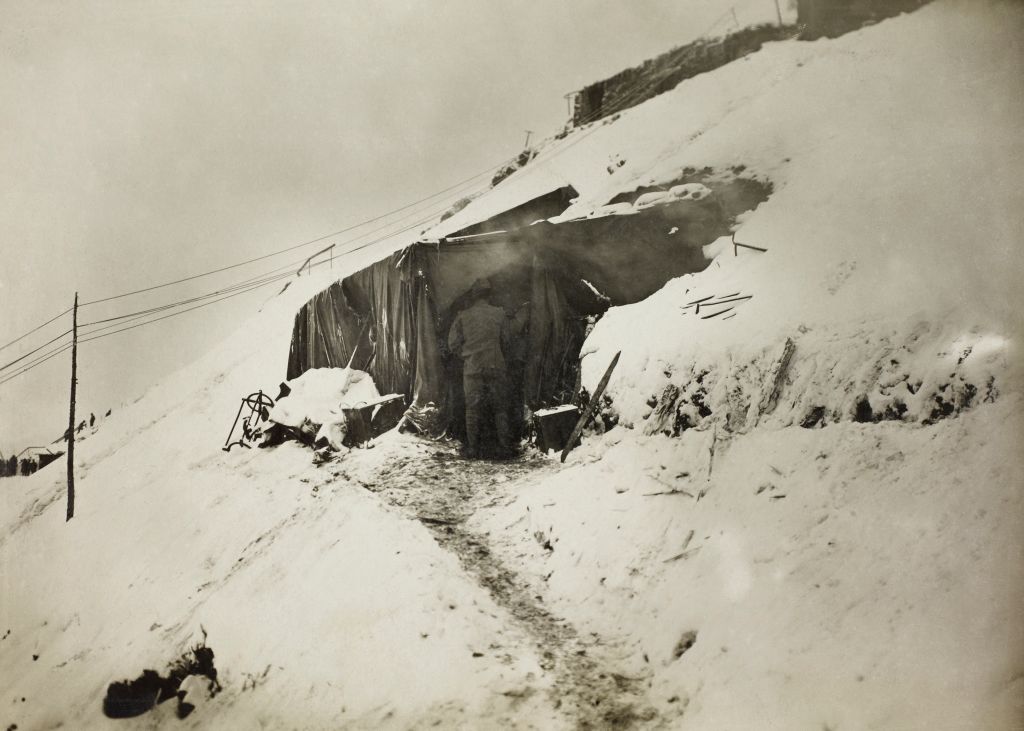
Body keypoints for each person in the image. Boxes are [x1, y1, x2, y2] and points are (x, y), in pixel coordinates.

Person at [447, 280, 512, 458]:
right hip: (496, 365)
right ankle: (505, 447)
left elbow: (452, 344)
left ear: (473, 296)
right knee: (500, 409)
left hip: (472, 368)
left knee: (472, 410)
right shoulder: (500, 314)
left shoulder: (463, 316)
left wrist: (467, 356)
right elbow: (506, 340)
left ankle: (473, 449)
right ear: (489, 295)